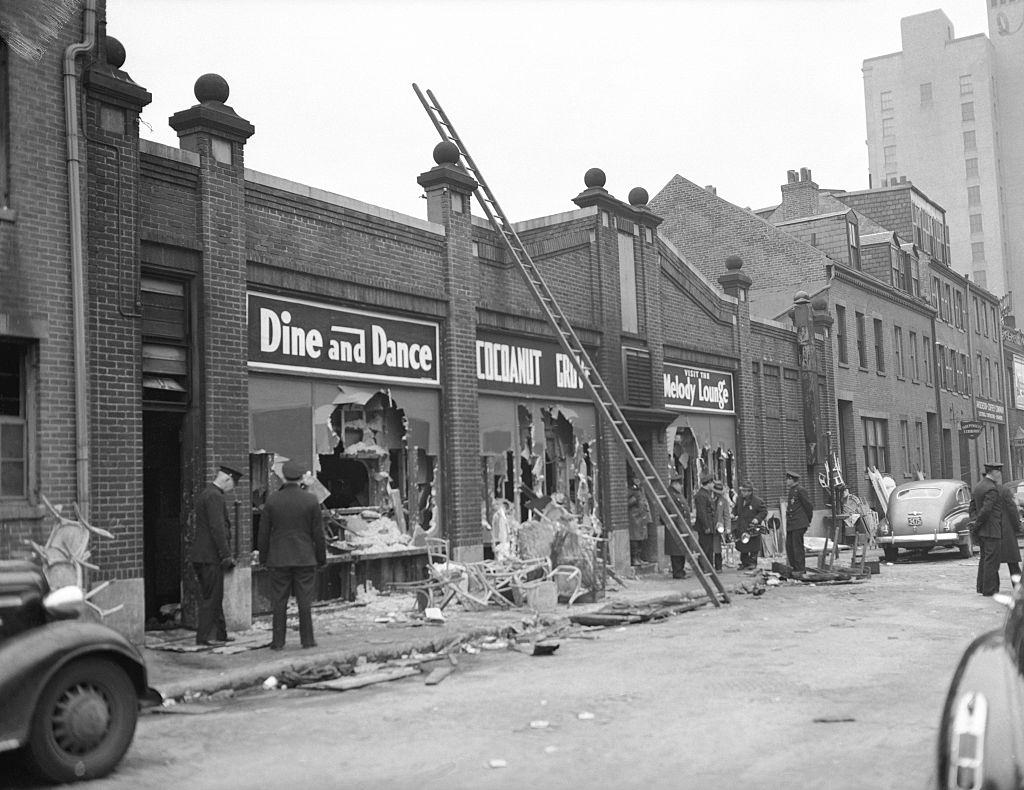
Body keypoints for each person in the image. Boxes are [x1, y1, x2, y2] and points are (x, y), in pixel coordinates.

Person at [258, 459, 327, 649]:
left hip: (279, 558)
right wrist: (321, 558)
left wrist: (263, 558)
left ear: (283, 476)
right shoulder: (311, 500)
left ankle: (278, 642)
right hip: (305, 557)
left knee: (279, 602)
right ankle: (307, 640)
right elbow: (318, 534)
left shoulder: (272, 500)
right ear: (301, 478)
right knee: (304, 601)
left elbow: (263, 534)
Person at [189, 463, 243, 646]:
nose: (231, 489)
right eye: (232, 485)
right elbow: (217, 528)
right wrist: (226, 554)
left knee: (214, 595)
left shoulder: (207, 493)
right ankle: (204, 637)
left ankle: (220, 633)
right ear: (227, 478)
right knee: (212, 598)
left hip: (203, 555)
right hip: (209, 556)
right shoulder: (214, 496)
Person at [970, 461, 1022, 596]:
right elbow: (1012, 510)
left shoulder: (979, 487)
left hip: (987, 529)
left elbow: (973, 508)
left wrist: (976, 525)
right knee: (1012, 561)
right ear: (994, 473)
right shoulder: (1001, 490)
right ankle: (1015, 588)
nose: (1000, 474)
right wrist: (1018, 527)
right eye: (998, 471)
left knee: (986, 559)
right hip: (1003, 530)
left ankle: (982, 586)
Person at [733, 480, 768, 571]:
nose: (742, 493)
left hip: (752, 526)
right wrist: (733, 513)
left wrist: (757, 518)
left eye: (745, 491)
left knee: (753, 545)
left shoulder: (757, 501)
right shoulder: (739, 499)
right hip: (742, 525)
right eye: (742, 491)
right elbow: (736, 508)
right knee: (742, 545)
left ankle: (752, 562)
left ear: (750, 492)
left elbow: (764, 511)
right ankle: (745, 563)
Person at [784, 470, 813, 573]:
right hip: (792, 524)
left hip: (799, 523)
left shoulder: (800, 490)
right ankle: (794, 567)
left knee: (797, 547)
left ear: (792, 480)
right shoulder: (792, 491)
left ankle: (800, 569)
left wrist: (807, 520)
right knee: (789, 546)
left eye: (788, 479)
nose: (786, 481)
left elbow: (808, 506)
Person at [664, 474, 691, 579]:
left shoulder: (678, 494)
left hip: (683, 526)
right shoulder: (670, 495)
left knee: (682, 549)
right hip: (676, 526)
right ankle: (677, 571)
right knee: (676, 550)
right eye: (680, 484)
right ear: (675, 484)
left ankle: (681, 570)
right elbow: (672, 510)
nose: (681, 487)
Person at [693, 473, 717, 574]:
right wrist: (706, 526)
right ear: (709, 483)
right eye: (712, 483)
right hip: (705, 527)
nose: (713, 486)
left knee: (709, 548)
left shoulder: (706, 494)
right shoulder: (701, 495)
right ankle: (704, 567)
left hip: (710, 525)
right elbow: (702, 512)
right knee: (704, 547)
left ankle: (709, 566)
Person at [627, 477, 652, 566]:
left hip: (641, 518)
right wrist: (633, 500)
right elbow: (626, 503)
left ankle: (639, 557)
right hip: (634, 518)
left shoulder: (641, 489)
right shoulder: (629, 490)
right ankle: (634, 558)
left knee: (641, 539)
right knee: (635, 538)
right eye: (636, 479)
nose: (638, 481)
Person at [711, 480, 730, 571]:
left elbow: (726, 515)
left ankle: (718, 566)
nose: (717, 495)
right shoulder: (709, 499)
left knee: (717, 547)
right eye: (715, 493)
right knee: (708, 547)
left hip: (718, 528)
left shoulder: (724, 501)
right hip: (709, 525)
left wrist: (727, 527)